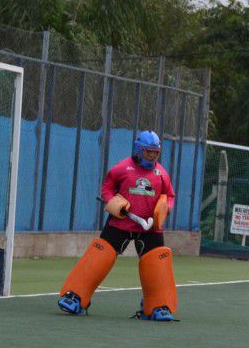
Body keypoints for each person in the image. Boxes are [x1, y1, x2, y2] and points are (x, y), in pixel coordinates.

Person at [57, 130, 179, 321]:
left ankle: (158, 307)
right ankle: (75, 296)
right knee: (100, 254)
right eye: (148, 152)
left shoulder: (162, 173)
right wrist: (112, 201)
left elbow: (170, 196)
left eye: (155, 152)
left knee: (157, 262)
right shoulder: (122, 168)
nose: (152, 156)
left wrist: (166, 209)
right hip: (120, 224)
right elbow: (107, 187)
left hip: (150, 228)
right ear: (138, 150)